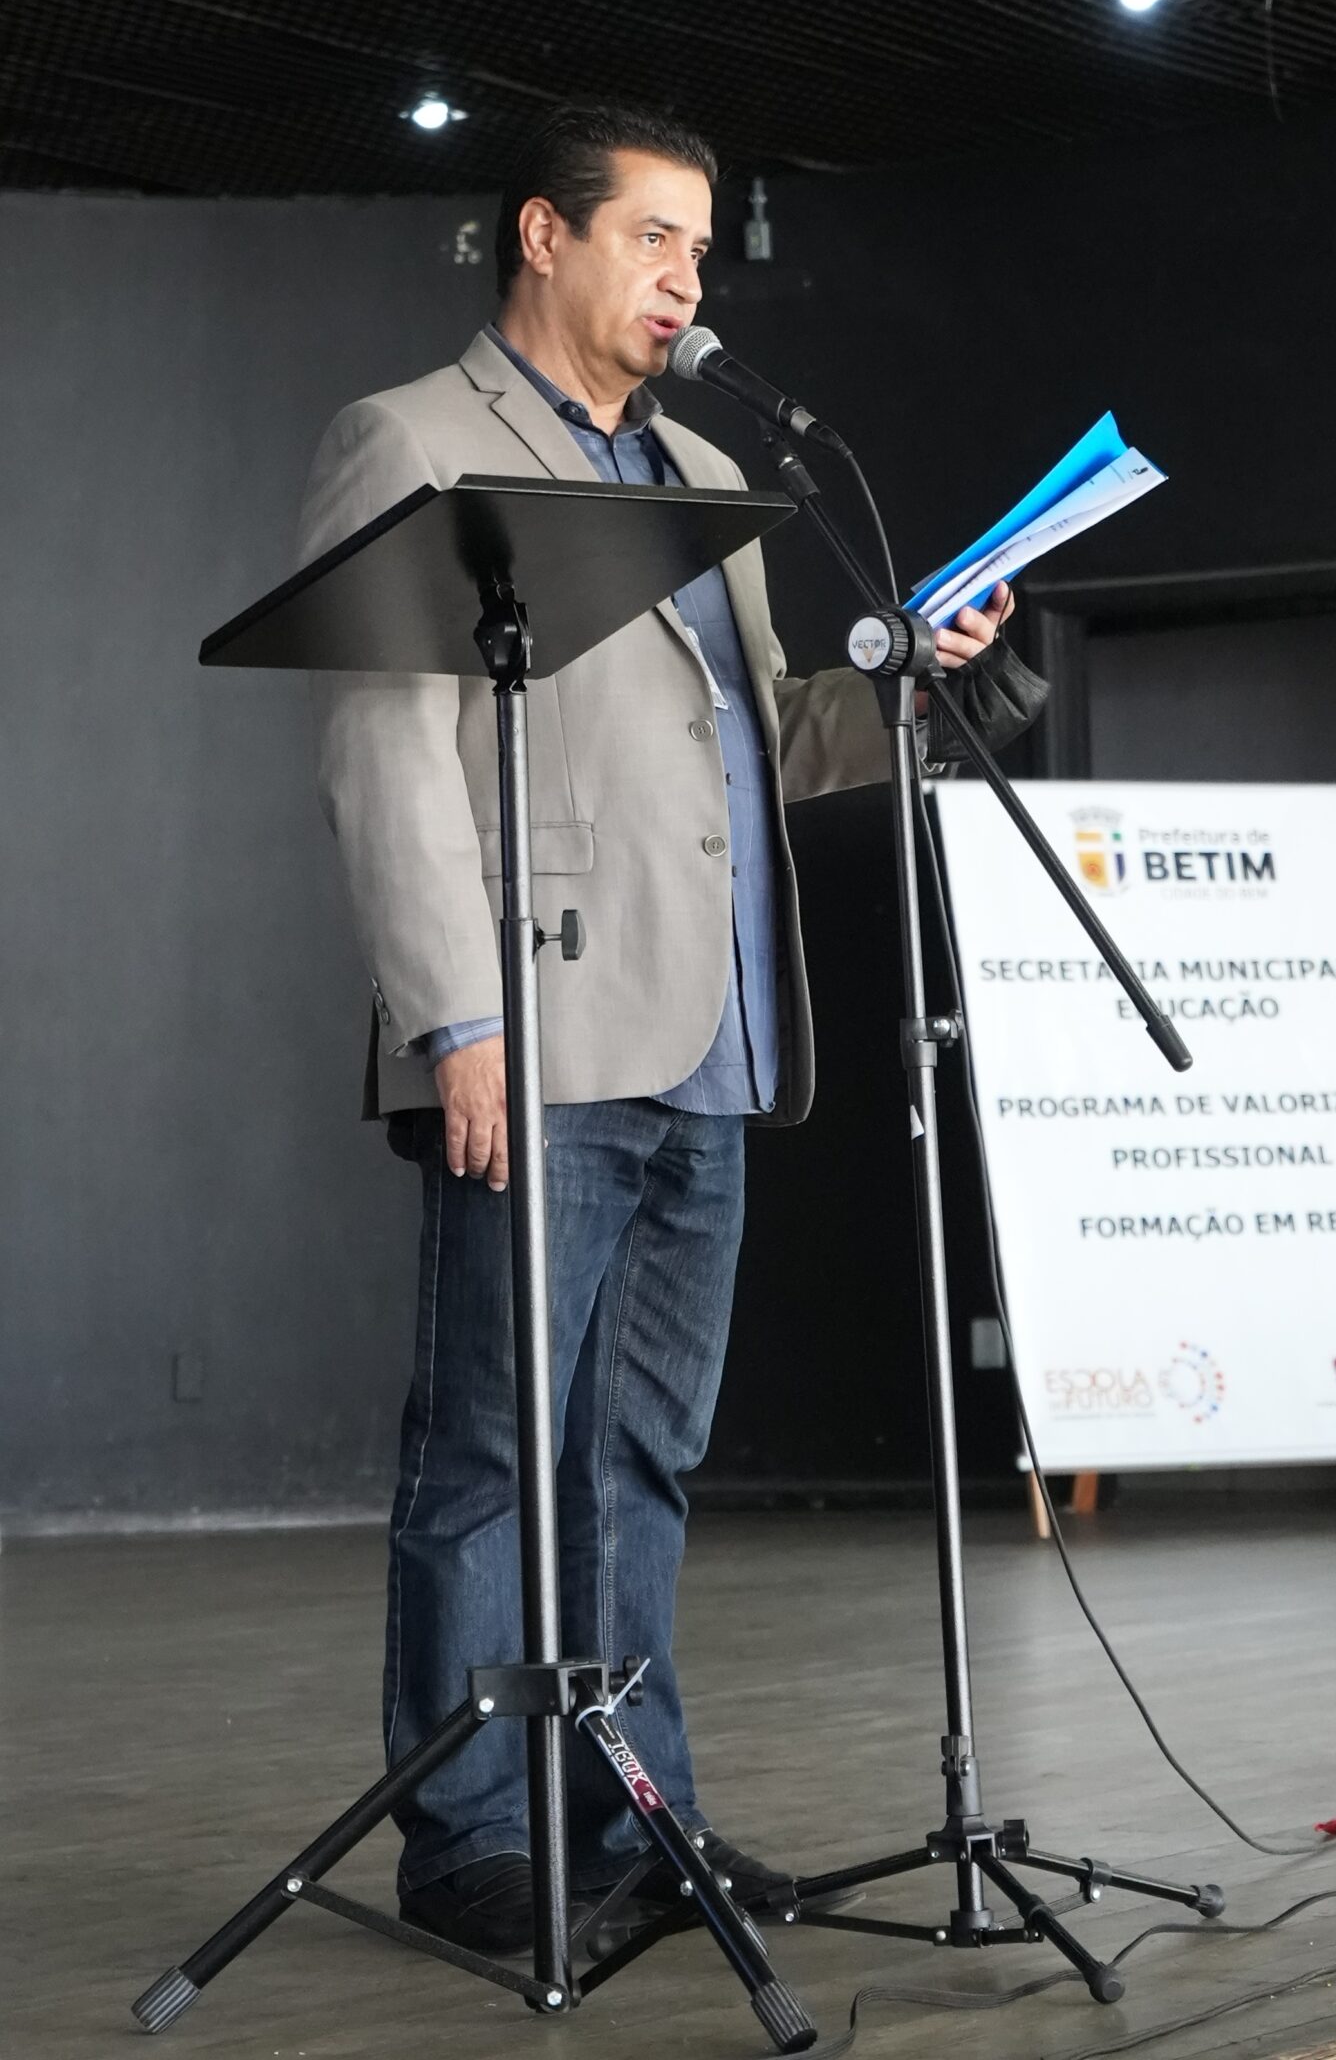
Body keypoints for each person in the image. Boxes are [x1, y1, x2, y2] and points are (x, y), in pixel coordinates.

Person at [298, 101, 1043, 1955]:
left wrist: (913, 665)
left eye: (701, 250)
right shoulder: (411, 438)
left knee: (638, 1456)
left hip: (713, 1030)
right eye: (653, 238)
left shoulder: (705, 468)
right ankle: (471, 1845)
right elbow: (387, 756)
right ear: (540, 234)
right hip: (537, 1024)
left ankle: (639, 1823)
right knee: (491, 1454)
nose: (686, 280)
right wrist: (456, 1017)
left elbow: (753, 746)